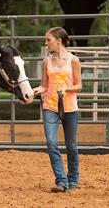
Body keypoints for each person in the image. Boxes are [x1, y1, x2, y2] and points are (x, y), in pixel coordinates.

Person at [33, 27, 82, 193]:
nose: (46, 43)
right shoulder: (46, 62)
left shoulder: (73, 61)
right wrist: (35, 91)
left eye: (48, 40)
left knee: (71, 146)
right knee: (51, 143)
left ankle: (73, 179)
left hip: (70, 108)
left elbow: (79, 85)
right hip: (50, 107)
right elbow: (44, 86)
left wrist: (67, 90)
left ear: (59, 40)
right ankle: (61, 181)